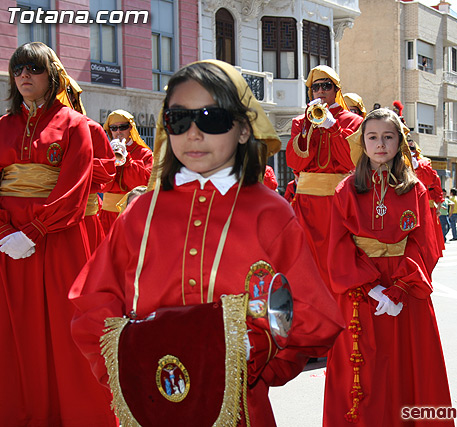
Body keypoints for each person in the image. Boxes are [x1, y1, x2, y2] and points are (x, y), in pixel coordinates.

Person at [70, 60, 345, 427]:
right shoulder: (141, 213)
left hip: (240, 411)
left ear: (244, 129)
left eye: (211, 118)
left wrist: (251, 362)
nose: (194, 133)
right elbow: (92, 303)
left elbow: (314, 317)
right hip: (150, 406)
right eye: (179, 120)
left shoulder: (270, 214)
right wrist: (129, 364)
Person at [0, 42, 115, 425]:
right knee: (14, 334)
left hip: (60, 239)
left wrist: (33, 231)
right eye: (18, 69)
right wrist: (5, 232)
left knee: (69, 333)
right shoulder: (1, 128)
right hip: (7, 244)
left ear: (52, 75)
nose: (23, 76)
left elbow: (74, 186)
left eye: (33, 69)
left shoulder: (75, 125)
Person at [324, 108, 451, 426]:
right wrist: (371, 287)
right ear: (363, 143)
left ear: (399, 142)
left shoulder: (416, 190)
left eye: (388, 136)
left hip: (405, 293)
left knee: (407, 368)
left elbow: (425, 245)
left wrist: (399, 289)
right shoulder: (346, 190)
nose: (380, 143)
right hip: (359, 292)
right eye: (373, 136)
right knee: (365, 373)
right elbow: (338, 246)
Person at [286, 65, 363, 286]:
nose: (320, 92)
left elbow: (351, 161)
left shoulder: (354, 122)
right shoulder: (300, 122)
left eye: (326, 86)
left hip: (339, 203)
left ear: (336, 90)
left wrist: (332, 126)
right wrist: (308, 127)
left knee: (339, 262)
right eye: (315, 88)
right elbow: (294, 162)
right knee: (306, 264)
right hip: (307, 205)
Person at [61, 75, 116, 252]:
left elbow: (107, 174)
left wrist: (75, 163)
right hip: (36, 218)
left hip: (83, 218)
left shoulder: (91, 128)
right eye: (115, 128)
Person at [100, 109, 154, 233]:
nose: (118, 132)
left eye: (122, 127)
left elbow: (142, 184)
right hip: (107, 214)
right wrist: (109, 159)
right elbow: (102, 185)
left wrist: (127, 159)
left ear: (130, 128)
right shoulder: (106, 152)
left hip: (132, 213)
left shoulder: (144, 153)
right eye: (113, 128)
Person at [409, 137, 445, 256]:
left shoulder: (424, 163)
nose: (410, 150)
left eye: (412, 148)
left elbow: (432, 182)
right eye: (407, 148)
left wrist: (417, 165)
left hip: (424, 206)